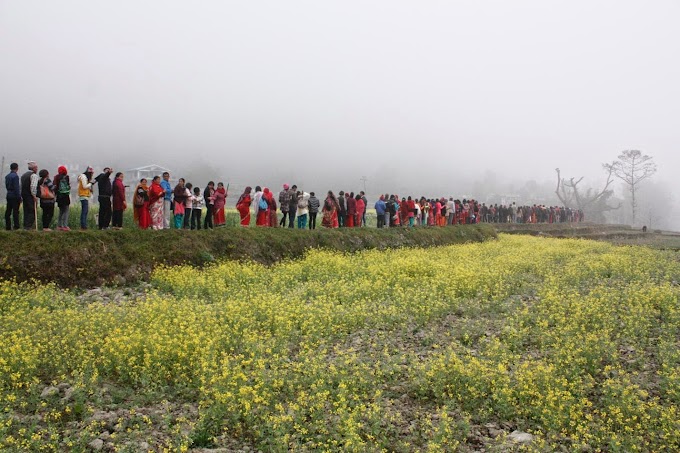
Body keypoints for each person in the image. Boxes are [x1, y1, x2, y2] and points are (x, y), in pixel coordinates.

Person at [21, 161, 39, 230]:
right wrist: (34, 196)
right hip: (30, 195)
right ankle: (28, 226)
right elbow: (33, 186)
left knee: (26, 210)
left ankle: (25, 226)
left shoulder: (24, 175)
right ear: (34, 168)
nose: (37, 169)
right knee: (32, 211)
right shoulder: (34, 176)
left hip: (24, 195)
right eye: (36, 167)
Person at [53, 166, 71, 231]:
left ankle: (59, 225)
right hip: (65, 196)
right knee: (66, 211)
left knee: (61, 211)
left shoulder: (56, 177)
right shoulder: (66, 177)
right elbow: (68, 187)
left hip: (59, 196)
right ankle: (65, 226)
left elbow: (54, 187)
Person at [4, 162, 21, 231]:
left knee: (8, 211)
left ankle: (8, 226)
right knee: (15, 211)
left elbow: (6, 186)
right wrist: (19, 197)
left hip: (9, 194)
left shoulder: (7, 176)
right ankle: (16, 226)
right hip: (14, 195)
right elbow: (16, 188)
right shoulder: (15, 176)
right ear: (17, 168)